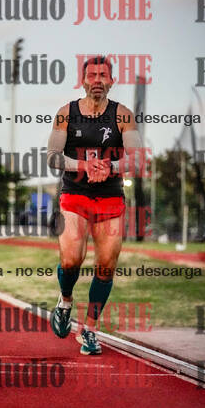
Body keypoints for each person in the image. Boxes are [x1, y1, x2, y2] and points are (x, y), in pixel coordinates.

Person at [47, 55, 142, 355]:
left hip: (110, 197)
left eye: (103, 75)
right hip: (75, 194)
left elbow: (137, 159)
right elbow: (52, 157)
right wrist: (84, 166)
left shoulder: (123, 115)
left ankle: (89, 330)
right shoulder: (66, 113)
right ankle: (65, 301)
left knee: (106, 265)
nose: (97, 80)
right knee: (71, 260)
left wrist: (110, 167)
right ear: (83, 80)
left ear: (112, 81)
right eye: (92, 75)